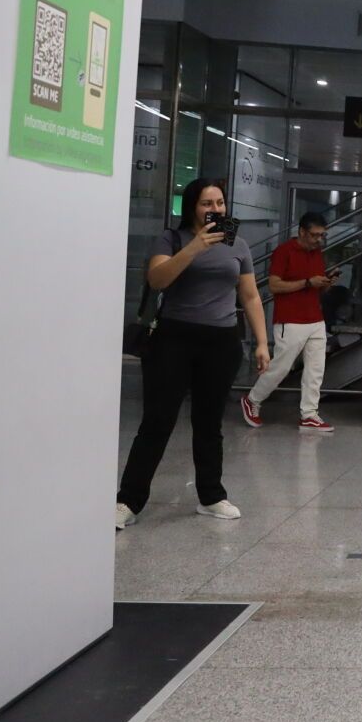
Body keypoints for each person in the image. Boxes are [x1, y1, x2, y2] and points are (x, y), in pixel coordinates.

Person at [115, 178, 270, 529]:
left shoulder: (237, 244)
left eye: (220, 203)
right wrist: (195, 247)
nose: (215, 209)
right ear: (192, 207)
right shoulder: (172, 239)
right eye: (206, 203)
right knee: (157, 421)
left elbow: (249, 296)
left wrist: (262, 342)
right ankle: (128, 500)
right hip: (174, 340)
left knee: (209, 423)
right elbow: (157, 279)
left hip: (221, 342)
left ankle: (211, 496)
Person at [242, 211, 334, 430]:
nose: (318, 240)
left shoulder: (317, 253)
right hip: (290, 319)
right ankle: (253, 399)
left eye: (322, 235)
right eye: (314, 235)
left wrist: (325, 283)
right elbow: (274, 285)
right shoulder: (284, 252)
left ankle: (309, 413)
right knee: (281, 367)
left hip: (315, 318)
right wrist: (307, 283)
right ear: (302, 232)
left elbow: (316, 287)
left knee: (316, 370)